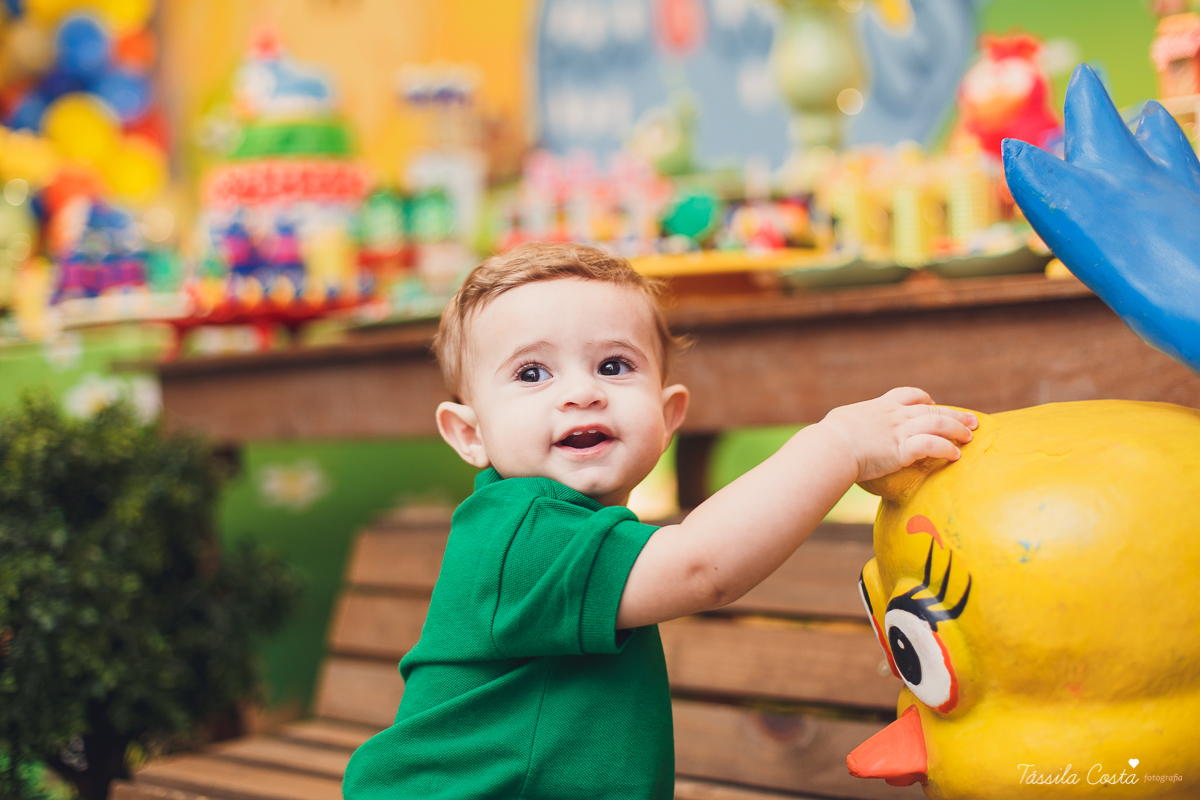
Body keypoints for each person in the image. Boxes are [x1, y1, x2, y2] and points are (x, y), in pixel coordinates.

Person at [341, 242, 977, 800]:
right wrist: (838, 444)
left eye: (613, 366)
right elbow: (702, 567)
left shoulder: (579, 529)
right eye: (532, 372)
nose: (581, 392)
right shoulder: (520, 533)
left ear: (668, 416)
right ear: (469, 434)